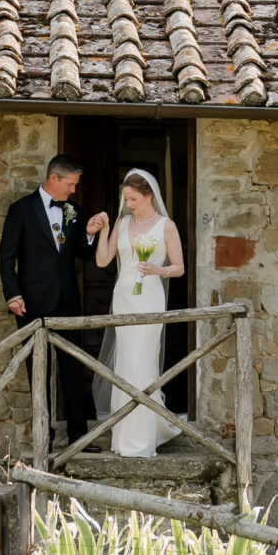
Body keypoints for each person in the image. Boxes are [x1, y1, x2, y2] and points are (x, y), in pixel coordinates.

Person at [0, 155, 107, 448]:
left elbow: (83, 254)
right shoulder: (20, 210)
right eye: (70, 185)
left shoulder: (74, 210)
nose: (73, 191)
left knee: (73, 371)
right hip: (31, 304)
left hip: (68, 301)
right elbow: (6, 257)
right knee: (38, 372)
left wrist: (88, 233)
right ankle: (43, 439)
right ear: (54, 178)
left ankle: (79, 437)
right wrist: (13, 294)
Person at [94, 169, 187, 457]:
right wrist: (104, 230)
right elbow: (102, 261)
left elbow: (179, 268)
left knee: (141, 361)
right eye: (126, 199)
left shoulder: (166, 226)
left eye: (133, 199)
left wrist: (157, 270)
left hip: (149, 296)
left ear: (149, 195)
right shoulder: (123, 222)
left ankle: (143, 438)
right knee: (125, 362)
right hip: (124, 297)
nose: (129, 204)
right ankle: (124, 437)